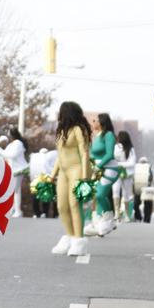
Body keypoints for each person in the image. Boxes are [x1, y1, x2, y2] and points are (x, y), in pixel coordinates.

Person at [50, 102, 93, 258]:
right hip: (63, 171)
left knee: (74, 203)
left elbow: (85, 153)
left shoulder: (78, 130)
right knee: (61, 206)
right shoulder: (61, 131)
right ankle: (69, 237)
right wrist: (52, 175)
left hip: (76, 169)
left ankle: (79, 240)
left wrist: (84, 177)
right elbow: (59, 155)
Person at [89, 113, 120, 236]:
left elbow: (109, 154)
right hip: (99, 170)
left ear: (101, 122)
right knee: (97, 195)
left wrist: (98, 166)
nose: (93, 122)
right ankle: (99, 223)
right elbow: (93, 154)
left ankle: (109, 220)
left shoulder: (109, 135)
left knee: (100, 194)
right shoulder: (97, 136)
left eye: (94, 120)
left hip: (109, 169)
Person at [2, 128, 29, 218]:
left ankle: (18, 210)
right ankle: (13, 209)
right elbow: (6, 153)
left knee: (16, 190)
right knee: (14, 190)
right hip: (13, 169)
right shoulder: (12, 144)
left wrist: (1, 152)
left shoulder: (18, 143)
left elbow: (12, 155)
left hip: (18, 169)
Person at [112, 131, 136, 221]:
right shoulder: (115, 147)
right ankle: (117, 213)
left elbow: (132, 162)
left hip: (127, 174)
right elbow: (112, 159)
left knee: (126, 193)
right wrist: (118, 164)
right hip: (116, 173)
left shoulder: (130, 149)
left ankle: (126, 214)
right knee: (115, 190)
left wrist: (120, 164)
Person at [133, 156, 151, 222]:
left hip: (147, 189)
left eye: (144, 162)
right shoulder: (136, 169)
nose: (143, 164)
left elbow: (151, 178)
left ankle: (147, 220)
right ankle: (138, 217)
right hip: (137, 188)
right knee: (135, 204)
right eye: (142, 162)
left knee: (148, 205)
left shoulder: (149, 169)